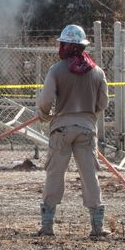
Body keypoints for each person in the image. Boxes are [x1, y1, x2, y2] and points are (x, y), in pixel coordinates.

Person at [36, 25, 110, 237]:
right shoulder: (97, 72)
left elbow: (46, 100)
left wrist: (45, 112)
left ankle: (48, 226)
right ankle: (97, 227)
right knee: (89, 176)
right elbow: (103, 102)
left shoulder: (57, 70)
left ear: (65, 46)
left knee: (55, 174)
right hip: (87, 129)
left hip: (61, 129)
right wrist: (88, 115)